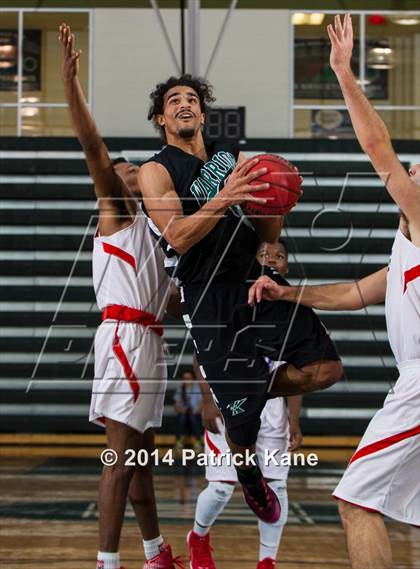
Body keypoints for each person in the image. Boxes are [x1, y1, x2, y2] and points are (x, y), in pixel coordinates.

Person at [248, 14, 420, 569]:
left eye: (415, 170)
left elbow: (377, 148)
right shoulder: (405, 249)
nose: (409, 173)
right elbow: (352, 293)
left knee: (355, 500)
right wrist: (286, 294)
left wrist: (344, 73)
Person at [138, 74, 342, 523]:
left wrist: (276, 208)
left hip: (255, 281)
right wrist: (223, 197)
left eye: (192, 99)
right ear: (162, 117)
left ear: (204, 113)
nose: (184, 104)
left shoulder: (234, 158)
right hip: (206, 296)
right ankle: (248, 475)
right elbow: (178, 236)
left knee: (326, 368)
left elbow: (267, 233)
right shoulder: (155, 170)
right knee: (243, 438)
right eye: (174, 101)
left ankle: (248, 391)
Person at [58, 24, 183, 569]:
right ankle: (106, 563)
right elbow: (93, 146)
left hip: (149, 338)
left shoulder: (160, 234)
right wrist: (70, 85)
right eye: (128, 168)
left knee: (140, 456)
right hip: (125, 340)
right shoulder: (116, 209)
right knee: (118, 458)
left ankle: (155, 552)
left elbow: (174, 305)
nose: (132, 170)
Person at [188, 240, 303, 569]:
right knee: (222, 487)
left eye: (280, 256)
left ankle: (267, 560)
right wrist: (208, 400)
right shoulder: (230, 295)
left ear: (287, 267)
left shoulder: (294, 306)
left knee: (276, 485)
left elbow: (297, 370)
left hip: (273, 408)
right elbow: (201, 350)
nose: (272, 259)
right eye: (264, 254)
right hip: (230, 399)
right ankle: (198, 537)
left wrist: (294, 421)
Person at [173, 369, 203, 452]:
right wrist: (182, 410)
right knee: (182, 417)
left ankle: (198, 441)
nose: (187, 380)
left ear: (192, 379)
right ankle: (178, 441)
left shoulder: (198, 389)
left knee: (193, 417)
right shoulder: (180, 389)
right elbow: (176, 406)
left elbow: (201, 404)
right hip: (183, 414)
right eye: (185, 378)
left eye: (189, 378)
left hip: (195, 414)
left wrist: (194, 411)